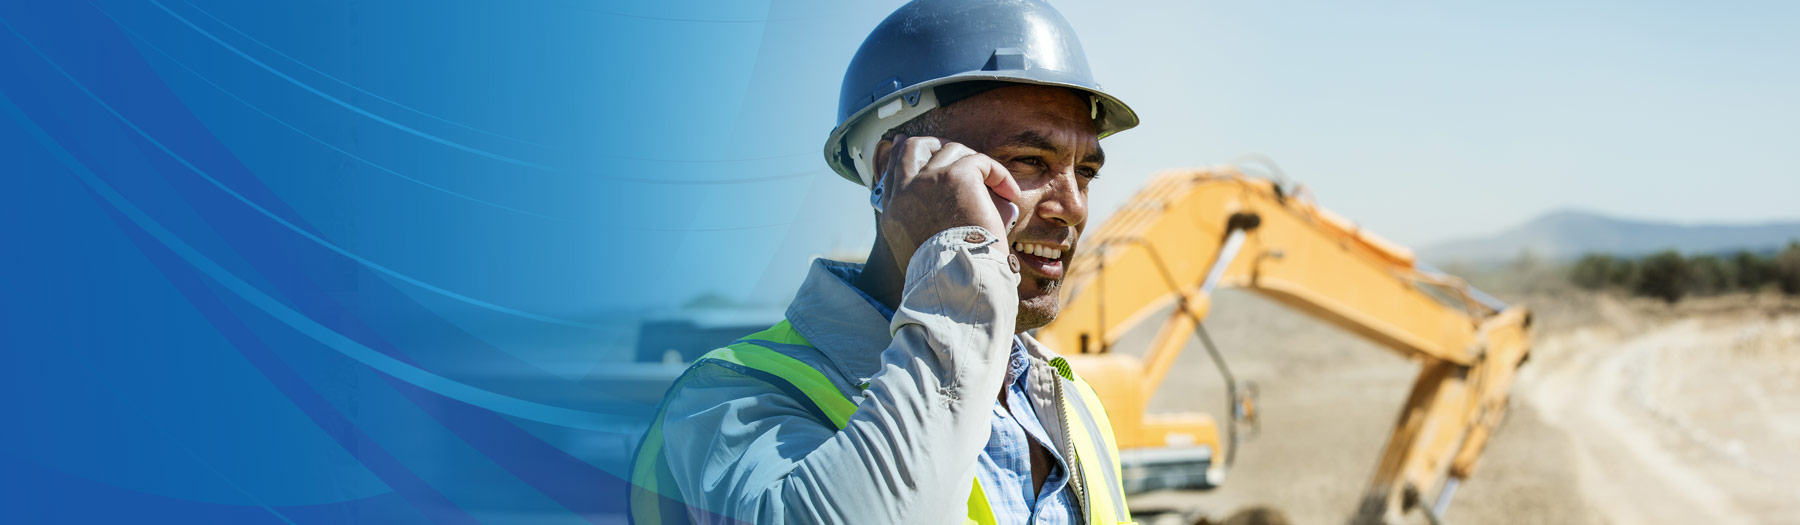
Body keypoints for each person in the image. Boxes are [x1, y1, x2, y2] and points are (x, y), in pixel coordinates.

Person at [630, 1, 1140, 522]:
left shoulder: (1070, 404)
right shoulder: (727, 401)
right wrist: (959, 266)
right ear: (893, 170)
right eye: (1030, 162)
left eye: (1085, 172)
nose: (1074, 207)